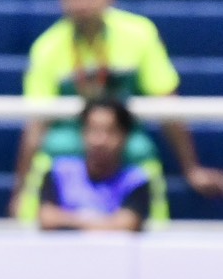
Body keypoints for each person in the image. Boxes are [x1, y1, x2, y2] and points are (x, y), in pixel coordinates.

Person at [12, 0, 223, 220]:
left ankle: (152, 223)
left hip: (124, 132)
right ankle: (36, 217)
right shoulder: (47, 47)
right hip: (73, 133)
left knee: (141, 150)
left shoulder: (139, 34)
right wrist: (20, 191)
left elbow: (166, 101)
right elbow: (37, 123)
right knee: (53, 149)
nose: (80, 5)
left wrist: (190, 167)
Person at [37, 99, 151, 233]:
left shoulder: (135, 180)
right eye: (93, 130)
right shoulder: (59, 172)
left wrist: (67, 219)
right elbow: (47, 219)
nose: (100, 141)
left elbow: (127, 225)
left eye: (109, 131)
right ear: (82, 132)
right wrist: (104, 222)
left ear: (124, 136)